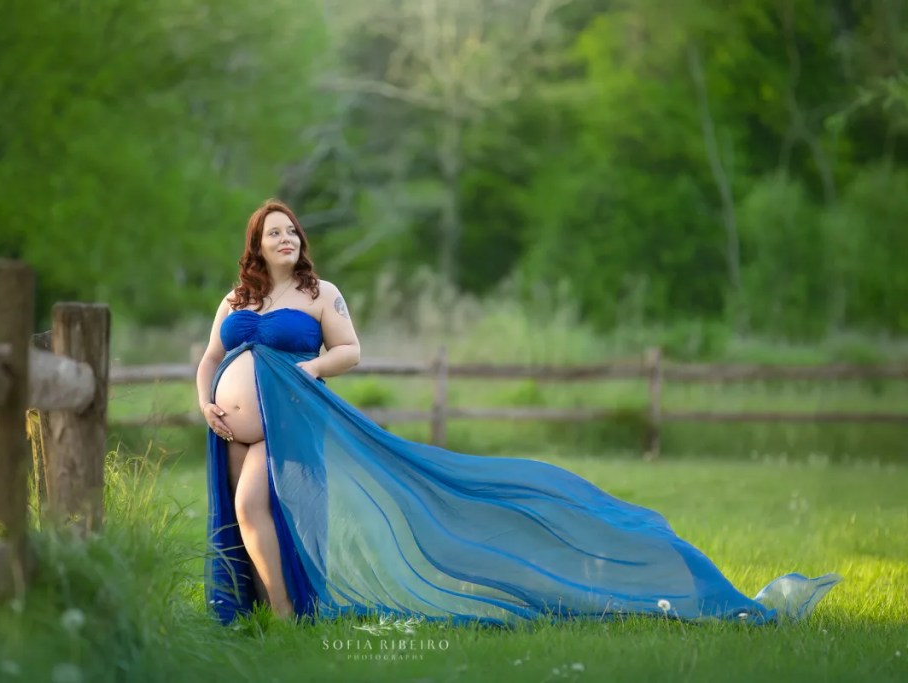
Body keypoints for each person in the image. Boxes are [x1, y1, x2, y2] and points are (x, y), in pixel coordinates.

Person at [196, 198, 840, 627]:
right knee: (245, 516)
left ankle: (284, 615)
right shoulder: (237, 299)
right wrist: (206, 401)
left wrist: (303, 372)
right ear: (255, 246)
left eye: (292, 230)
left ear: (301, 241)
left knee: (259, 508)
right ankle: (259, 612)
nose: (285, 237)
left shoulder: (319, 293)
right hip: (233, 431)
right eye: (272, 232)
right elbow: (208, 361)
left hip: (294, 425)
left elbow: (353, 353)